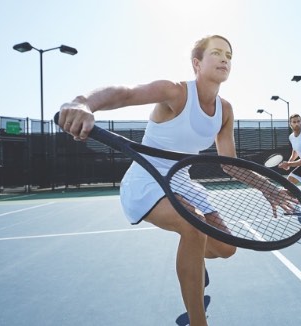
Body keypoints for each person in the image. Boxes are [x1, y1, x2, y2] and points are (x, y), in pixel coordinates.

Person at [57, 35, 238, 326]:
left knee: (227, 248)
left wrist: (267, 186)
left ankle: (194, 260)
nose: (224, 59)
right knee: (194, 227)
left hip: (182, 182)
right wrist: (82, 103)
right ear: (197, 63)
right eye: (216, 53)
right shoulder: (175, 92)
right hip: (146, 179)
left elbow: (231, 164)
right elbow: (127, 93)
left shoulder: (225, 111)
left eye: (228, 55)